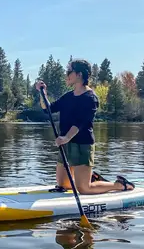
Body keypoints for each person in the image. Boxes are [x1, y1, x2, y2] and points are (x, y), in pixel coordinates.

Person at [35, 58, 134, 195]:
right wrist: (42, 94)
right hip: (66, 143)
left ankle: (119, 185)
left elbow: (80, 123)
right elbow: (48, 109)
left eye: (70, 71)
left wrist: (66, 138)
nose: (67, 75)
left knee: (84, 189)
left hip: (82, 145)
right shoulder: (68, 97)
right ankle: (91, 178)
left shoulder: (90, 98)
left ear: (79, 74)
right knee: (63, 184)